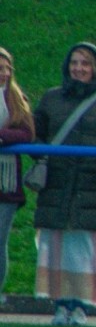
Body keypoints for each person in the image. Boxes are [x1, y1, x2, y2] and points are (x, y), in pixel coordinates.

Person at [33, 42, 96, 325]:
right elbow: (35, 134)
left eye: (85, 64)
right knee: (57, 246)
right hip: (57, 183)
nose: (79, 68)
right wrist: (44, 155)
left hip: (92, 188)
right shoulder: (51, 99)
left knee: (84, 249)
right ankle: (60, 305)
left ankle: (80, 306)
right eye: (75, 62)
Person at [0, 48, 35, 302]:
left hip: (7, 182)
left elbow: (27, 133)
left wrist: (2, 137)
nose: (3, 73)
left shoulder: (15, 97)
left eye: (6, 68)